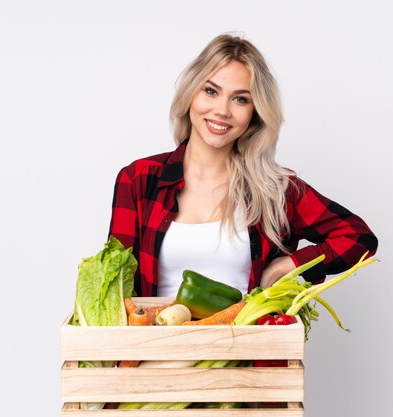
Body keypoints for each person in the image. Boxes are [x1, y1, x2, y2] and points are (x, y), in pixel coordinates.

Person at [109, 33, 378, 298]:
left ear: (255, 113)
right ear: (191, 93)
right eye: (211, 91)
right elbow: (116, 284)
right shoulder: (139, 179)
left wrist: (291, 264)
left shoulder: (275, 189)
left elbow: (359, 238)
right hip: (157, 339)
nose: (222, 110)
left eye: (240, 99)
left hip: (250, 340)